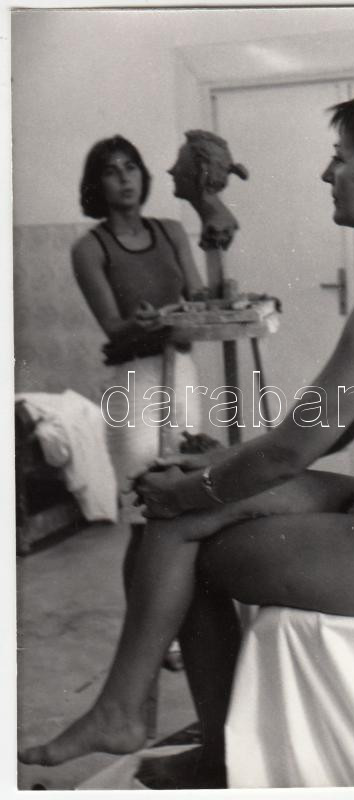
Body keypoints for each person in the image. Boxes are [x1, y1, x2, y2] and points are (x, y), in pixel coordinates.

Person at [19, 85, 354, 787]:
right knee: (178, 514)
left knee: (187, 539)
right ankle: (131, 710)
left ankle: (185, 740)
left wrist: (191, 489)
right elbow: (328, 430)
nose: (326, 173)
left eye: (340, 158)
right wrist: (213, 466)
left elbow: (289, 452)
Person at [73, 135, 205, 675]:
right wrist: (146, 323)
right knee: (144, 515)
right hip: (133, 382)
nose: (124, 178)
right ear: (97, 184)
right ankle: (147, 641)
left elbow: (200, 302)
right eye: (111, 171)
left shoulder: (171, 231)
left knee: (186, 502)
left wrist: (186, 315)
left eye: (131, 167)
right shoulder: (91, 248)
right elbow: (113, 327)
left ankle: (185, 626)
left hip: (182, 374)